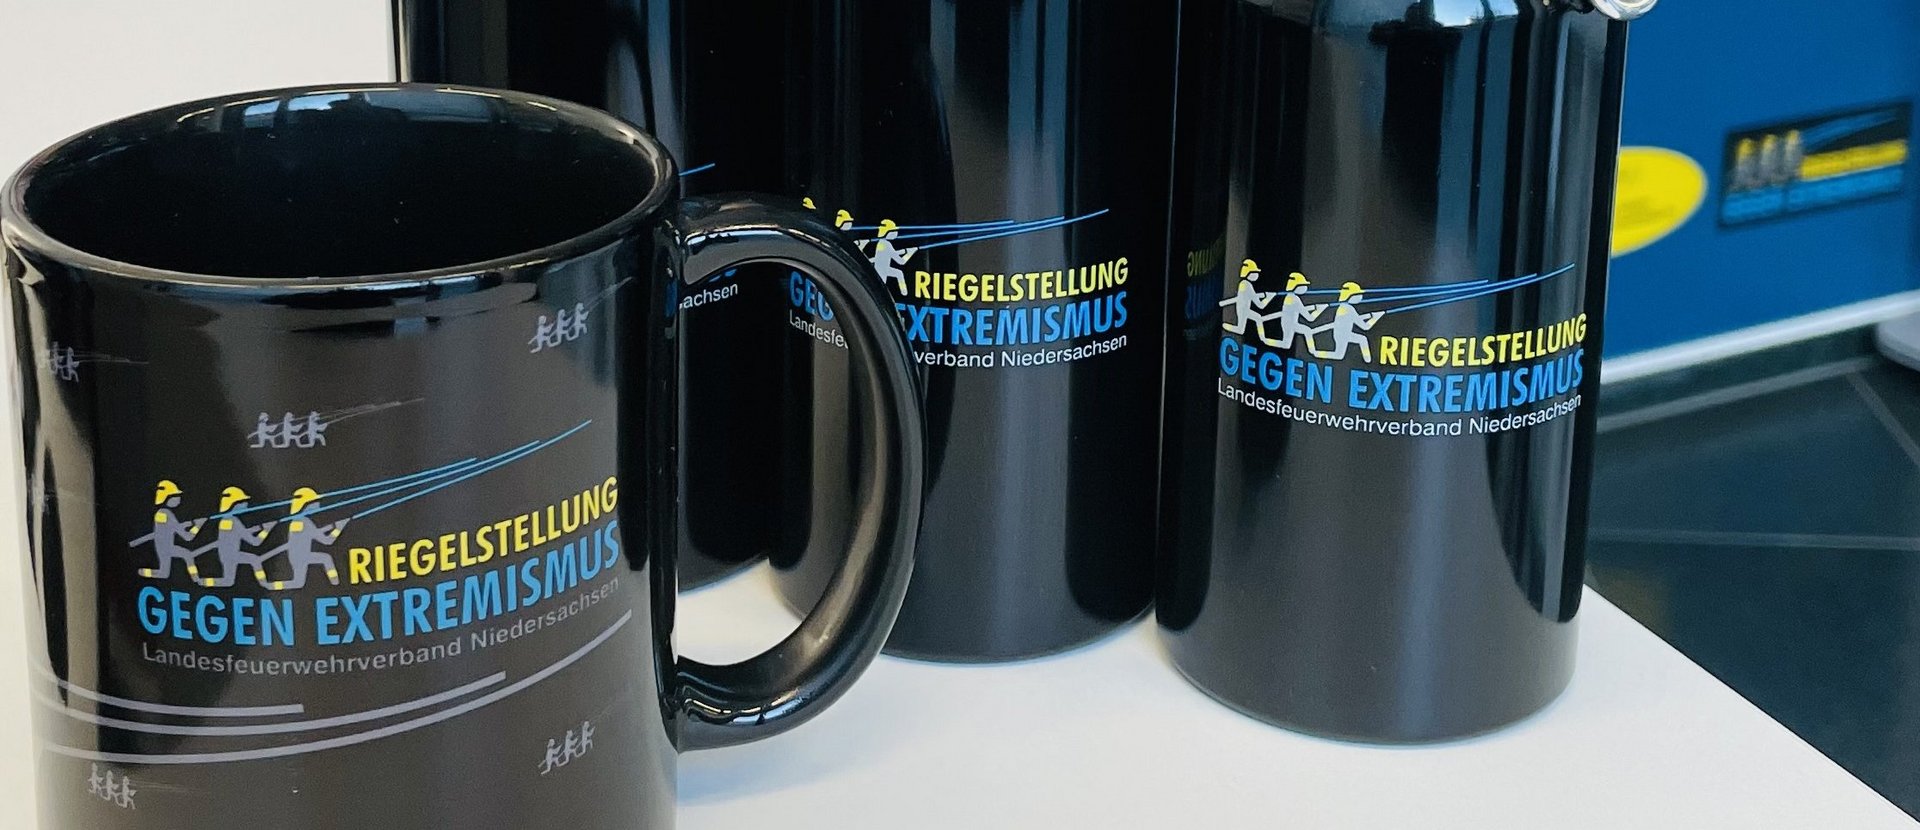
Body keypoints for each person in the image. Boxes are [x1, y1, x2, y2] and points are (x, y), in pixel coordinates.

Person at [258, 487, 346, 590]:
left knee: (298, 583)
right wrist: (338, 529)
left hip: (296, 556)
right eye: (314, 503)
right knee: (326, 558)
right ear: (304, 505)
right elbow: (327, 541)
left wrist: (331, 527)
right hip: (302, 556)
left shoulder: (298, 521)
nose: (317, 506)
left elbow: (310, 535)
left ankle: (271, 586)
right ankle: (337, 584)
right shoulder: (305, 522)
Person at [194, 487, 277, 588]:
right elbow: (255, 542)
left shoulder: (226, 520)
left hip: (226, 554)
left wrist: (260, 527)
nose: (245, 505)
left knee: (228, 581)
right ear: (233, 504)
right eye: (242, 502)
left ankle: (203, 582)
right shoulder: (234, 522)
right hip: (232, 555)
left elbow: (236, 534)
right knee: (254, 559)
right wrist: (267, 530)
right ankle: (265, 584)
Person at [130, 480, 206, 580]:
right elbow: (188, 537)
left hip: (162, 546)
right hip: (166, 548)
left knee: (168, 569)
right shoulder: (167, 514)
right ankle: (196, 579)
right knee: (185, 556)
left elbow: (168, 529)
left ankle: (195, 578)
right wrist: (198, 526)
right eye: (175, 496)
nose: (179, 499)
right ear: (166, 498)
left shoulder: (161, 513)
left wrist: (190, 523)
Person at [1309, 282, 1383, 362]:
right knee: (1340, 355)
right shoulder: (1349, 309)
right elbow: (1365, 326)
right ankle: (1317, 353)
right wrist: (1375, 318)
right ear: (1349, 296)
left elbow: (1351, 319)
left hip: (1341, 334)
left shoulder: (1343, 307)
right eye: (1357, 294)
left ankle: (1367, 359)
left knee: (1361, 340)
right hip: (1343, 335)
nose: (1360, 297)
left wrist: (1370, 316)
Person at [1266, 272, 1327, 349]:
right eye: (1302, 285)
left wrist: (1314, 307)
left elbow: (1298, 309)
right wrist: (1320, 310)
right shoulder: (1295, 299)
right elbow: (1310, 318)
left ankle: (1266, 341)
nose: (1305, 288)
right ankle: (1312, 350)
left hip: (1286, 324)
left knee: (1286, 344)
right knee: (1307, 330)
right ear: (1295, 287)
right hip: (1292, 325)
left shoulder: (1289, 297)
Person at [866, 219, 918, 295]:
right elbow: (901, 262)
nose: (896, 233)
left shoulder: (881, 242)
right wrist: (910, 253)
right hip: (883, 270)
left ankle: (904, 292)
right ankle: (904, 292)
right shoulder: (887, 245)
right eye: (893, 231)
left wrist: (904, 251)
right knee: (898, 275)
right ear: (887, 232)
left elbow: (886, 254)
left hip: (879, 268)